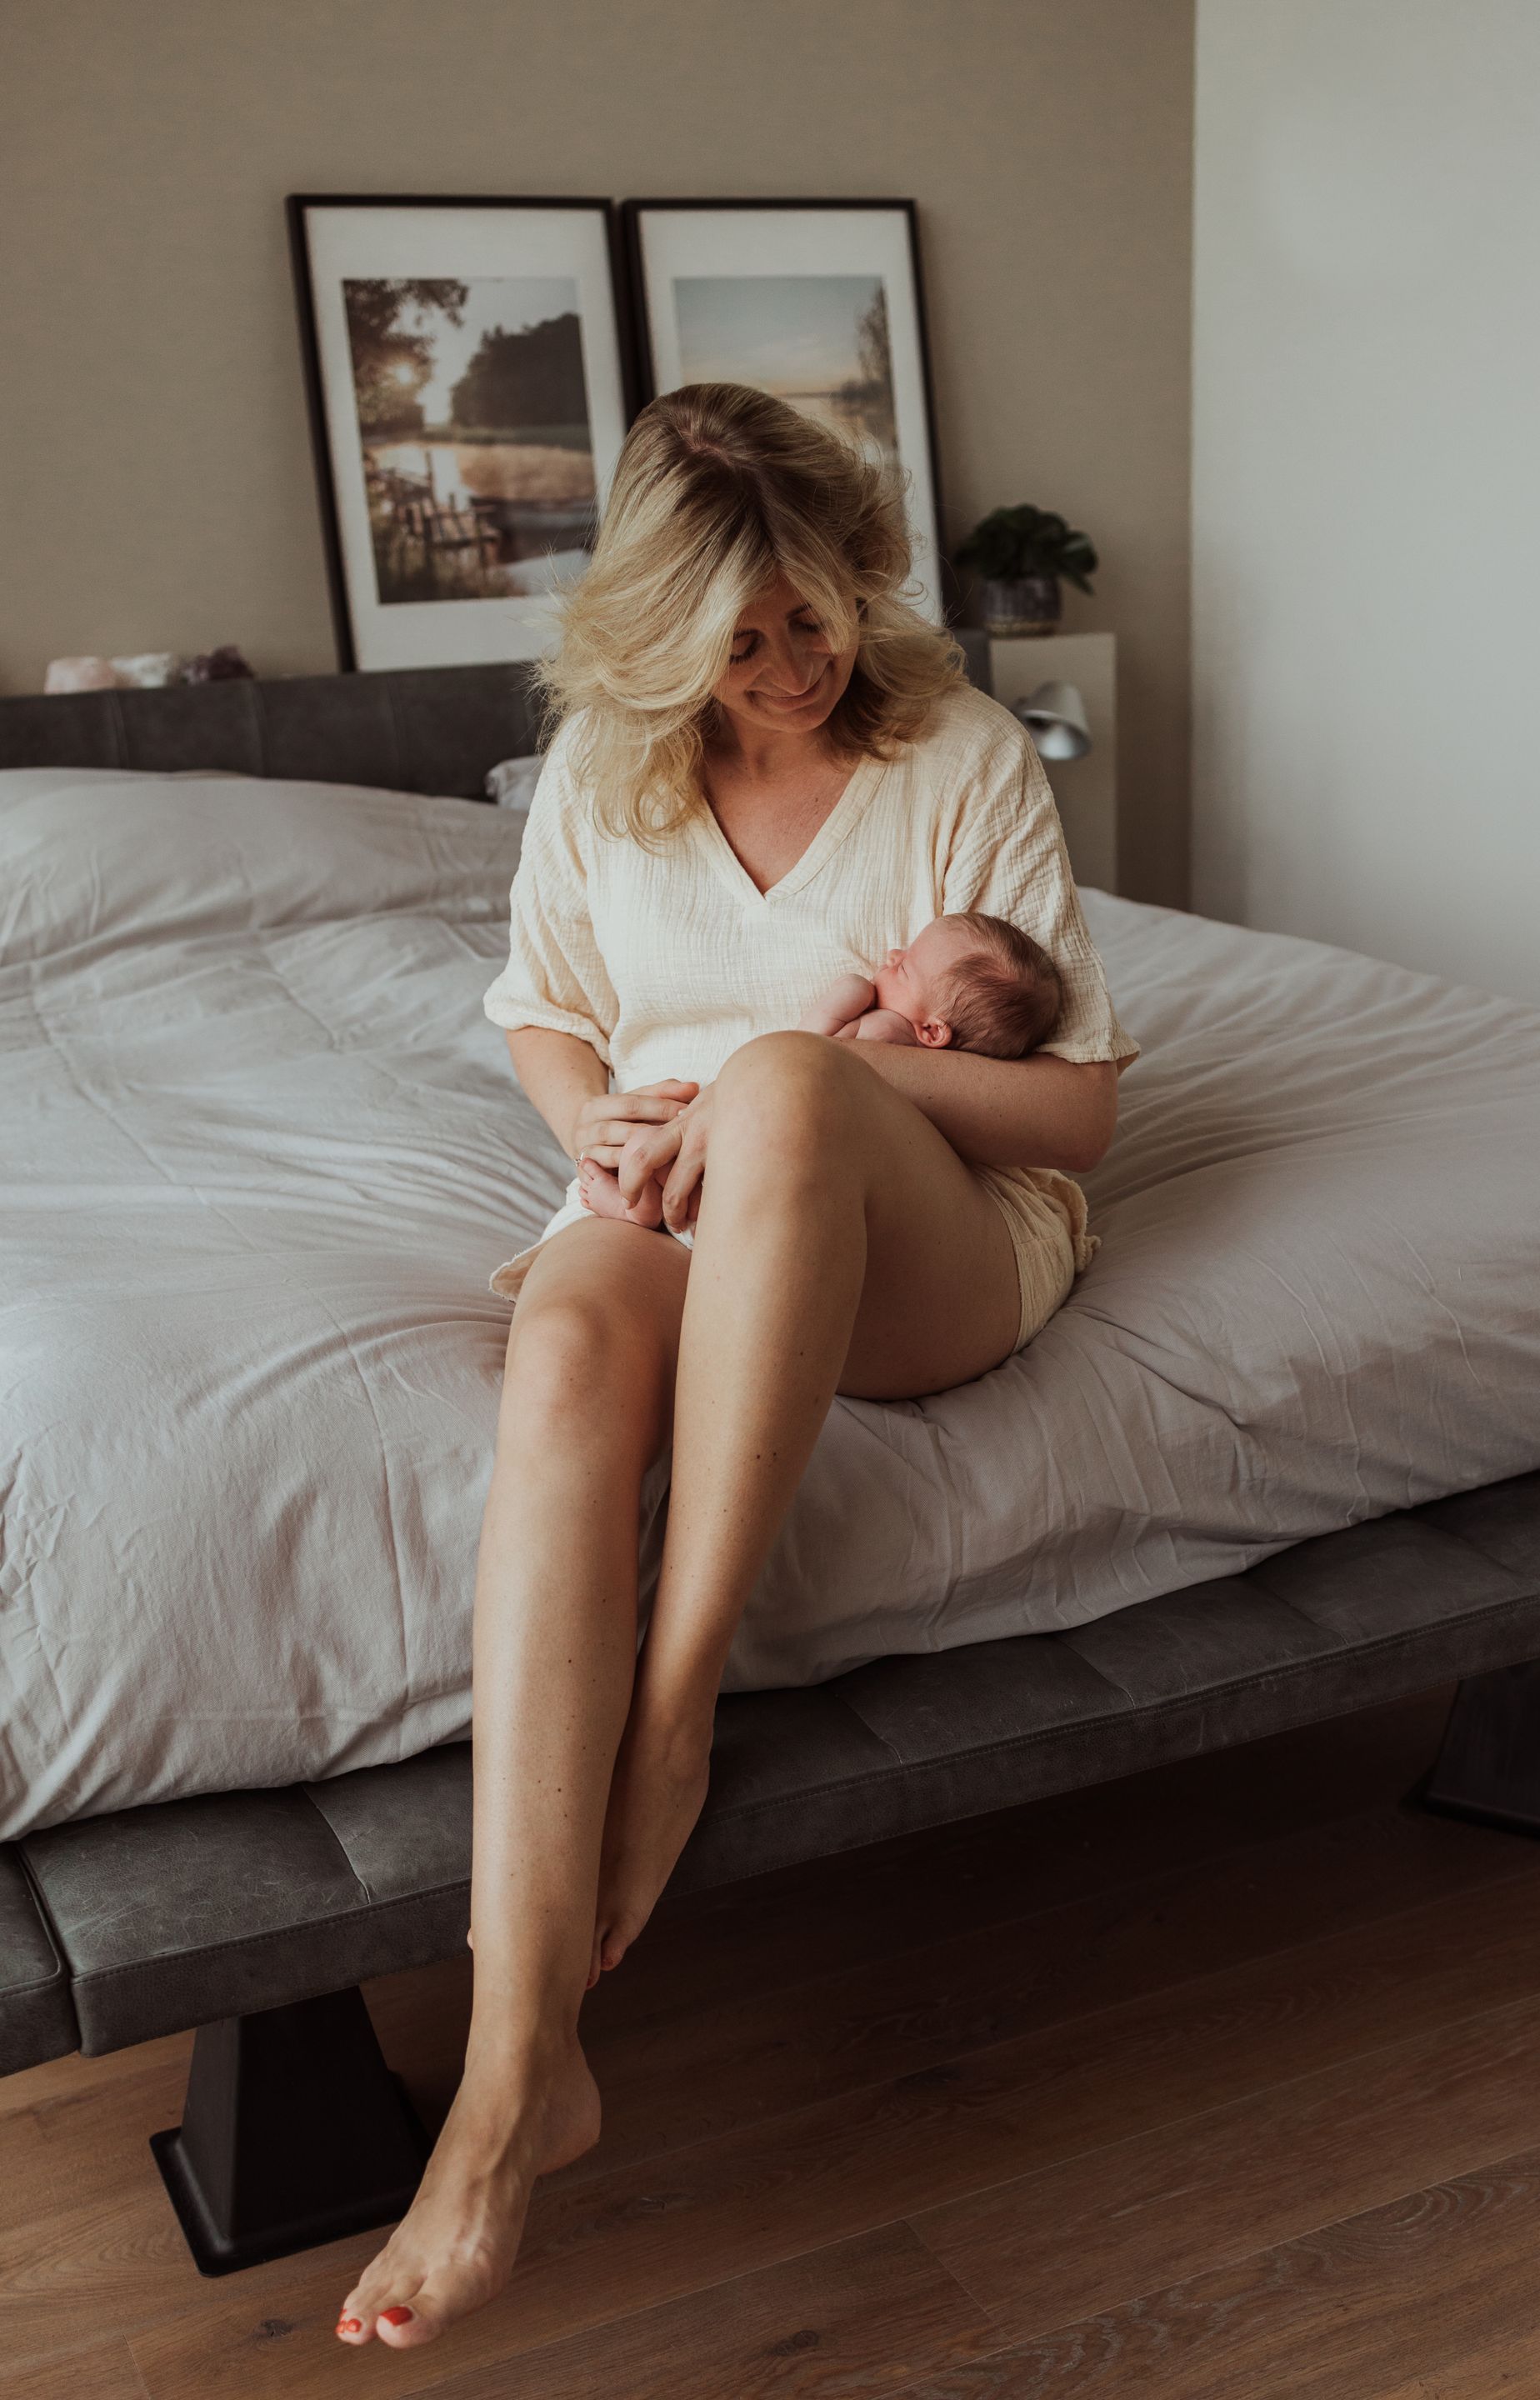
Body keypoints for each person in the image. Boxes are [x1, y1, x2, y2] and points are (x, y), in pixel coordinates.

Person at [335, 382, 1139, 2352]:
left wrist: (827, 1074)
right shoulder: (602, 766)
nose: (792, 666)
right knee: (561, 1342)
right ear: (658, 632)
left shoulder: (956, 751)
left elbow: (1075, 1114)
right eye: (741, 637)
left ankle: (675, 1713)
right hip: (680, 1197)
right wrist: (596, 1121)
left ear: (858, 575)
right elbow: (544, 1010)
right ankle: (516, 2074)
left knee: (778, 1076)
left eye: (816, 614)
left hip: (936, 1238)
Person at [578, 911, 1066, 1228]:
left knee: (651, 1153)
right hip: (773, 1154)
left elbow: (801, 1048)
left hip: (762, 1136)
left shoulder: (884, 1033)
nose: (891, 955)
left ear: (933, 1031)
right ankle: (648, 1212)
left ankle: (632, 1208)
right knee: (681, 1179)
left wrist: (852, 989)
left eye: (904, 967)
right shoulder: (945, 1076)